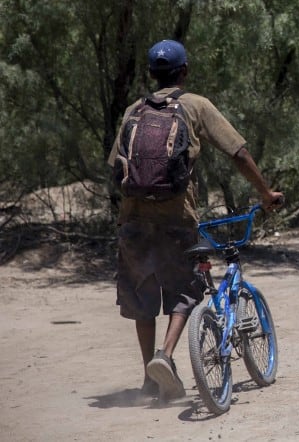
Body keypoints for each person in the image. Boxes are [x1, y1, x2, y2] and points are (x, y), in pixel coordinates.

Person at [107, 39, 284, 401]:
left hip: (133, 219)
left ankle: (149, 380)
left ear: (151, 74)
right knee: (184, 291)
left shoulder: (133, 111)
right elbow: (237, 151)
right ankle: (165, 357)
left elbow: (115, 168)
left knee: (143, 297)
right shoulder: (195, 105)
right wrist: (265, 194)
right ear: (184, 71)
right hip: (177, 216)